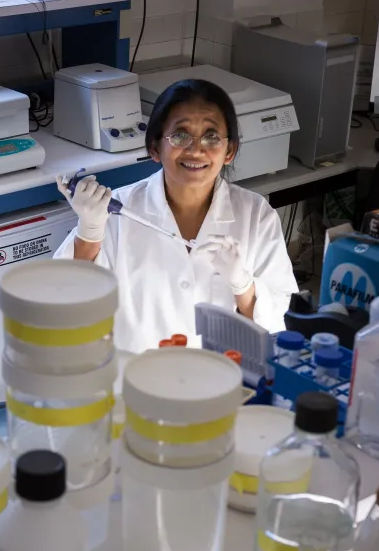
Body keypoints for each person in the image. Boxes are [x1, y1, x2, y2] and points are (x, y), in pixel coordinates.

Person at [53, 78, 297, 354]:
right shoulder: (115, 210)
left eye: (211, 136)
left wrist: (243, 285)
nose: (196, 149)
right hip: (137, 374)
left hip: (223, 375)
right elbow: (65, 307)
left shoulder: (256, 216)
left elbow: (276, 324)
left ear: (229, 151)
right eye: (180, 135)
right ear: (155, 147)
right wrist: (89, 233)